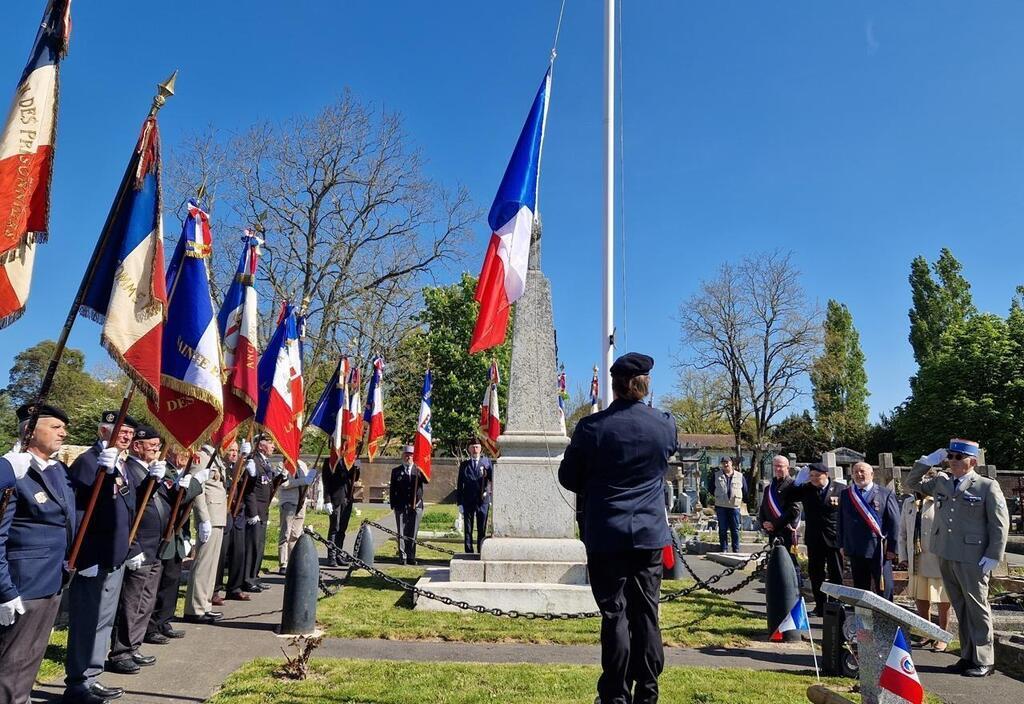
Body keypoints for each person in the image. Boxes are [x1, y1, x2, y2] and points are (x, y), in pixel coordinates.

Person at [558, 352, 677, 704]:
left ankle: (615, 694)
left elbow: (569, 477)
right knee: (646, 613)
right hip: (648, 534)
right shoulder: (664, 425)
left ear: (615, 386)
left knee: (615, 615)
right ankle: (648, 692)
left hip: (607, 534)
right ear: (644, 384)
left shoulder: (592, 428)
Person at [906, 439, 1010, 678]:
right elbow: (911, 483)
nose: (952, 461)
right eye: (950, 457)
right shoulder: (941, 481)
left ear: (972, 461)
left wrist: (994, 555)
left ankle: (985, 660)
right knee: (961, 607)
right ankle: (967, 656)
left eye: (958, 457)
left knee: (977, 607)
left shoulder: (986, 486)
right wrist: (925, 462)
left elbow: (999, 523)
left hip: (974, 557)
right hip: (946, 553)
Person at [0, 404, 77, 704]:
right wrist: (4, 590)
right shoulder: (13, 470)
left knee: (31, 658)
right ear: (31, 430)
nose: (64, 433)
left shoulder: (58, 470)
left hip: (53, 578)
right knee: (12, 663)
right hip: (23, 583)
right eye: (56, 427)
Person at [64, 411, 138, 704]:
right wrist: (101, 475)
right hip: (92, 555)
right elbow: (81, 506)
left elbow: (127, 508)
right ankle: (78, 683)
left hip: (114, 553)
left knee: (103, 620)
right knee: (86, 621)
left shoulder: (123, 464)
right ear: (103, 431)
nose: (127, 437)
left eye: (130, 433)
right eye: (121, 431)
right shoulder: (88, 461)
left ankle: (92, 676)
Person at [107, 426, 167, 673]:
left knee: (146, 600)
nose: (156, 448)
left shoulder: (150, 468)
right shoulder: (130, 470)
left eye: (157, 445)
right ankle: (120, 652)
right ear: (137, 446)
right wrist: (133, 547)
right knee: (132, 600)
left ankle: (134, 646)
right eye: (151, 445)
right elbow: (130, 509)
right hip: (140, 543)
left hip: (157, 544)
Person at [145, 446, 203, 644]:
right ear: (170, 453)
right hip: (165, 534)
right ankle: (151, 626)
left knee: (172, 581)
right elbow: (179, 498)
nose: (186, 458)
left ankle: (164, 621)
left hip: (177, 535)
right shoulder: (165, 471)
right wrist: (195, 483)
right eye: (182, 454)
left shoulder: (180, 473)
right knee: (158, 583)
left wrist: (186, 536)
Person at [787, 462, 844, 616]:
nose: (813, 478)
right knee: (816, 573)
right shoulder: (807, 489)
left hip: (834, 539)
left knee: (835, 573)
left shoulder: (840, 489)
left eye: (817, 476)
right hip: (814, 538)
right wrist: (798, 481)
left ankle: (835, 605)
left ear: (826, 475)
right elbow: (788, 495)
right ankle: (820, 606)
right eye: (811, 475)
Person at [837, 461, 900, 601]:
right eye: (856, 472)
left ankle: (886, 619)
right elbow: (841, 521)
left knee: (884, 587)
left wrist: (892, 548)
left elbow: (894, 523)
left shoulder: (885, 494)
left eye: (862, 471)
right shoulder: (846, 494)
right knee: (860, 589)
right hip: (855, 549)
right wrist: (841, 544)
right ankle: (863, 620)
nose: (859, 475)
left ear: (872, 474)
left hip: (879, 549)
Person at [897, 487, 951, 651]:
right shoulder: (909, 502)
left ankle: (942, 635)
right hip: (917, 557)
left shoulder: (941, 499)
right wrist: (903, 557)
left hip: (937, 558)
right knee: (920, 596)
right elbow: (903, 532)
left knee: (942, 598)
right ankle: (926, 633)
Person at [183, 442, 230, 623]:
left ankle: (205, 604)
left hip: (217, 516)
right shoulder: (202, 457)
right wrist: (203, 519)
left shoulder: (215, 456)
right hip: (209, 516)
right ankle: (195, 608)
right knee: (203, 564)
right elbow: (198, 489)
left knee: (211, 565)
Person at [241, 435, 277, 592]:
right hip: (255, 511)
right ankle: (247, 579)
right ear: (261, 445)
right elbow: (249, 490)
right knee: (252, 546)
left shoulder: (265, 462)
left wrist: (280, 477)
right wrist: (252, 512)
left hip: (263, 510)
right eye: (270, 443)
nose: (273, 446)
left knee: (260, 546)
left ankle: (255, 576)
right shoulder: (253, 461)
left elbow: (268, 485)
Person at [217, 439, 250, 602]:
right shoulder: (221, 469)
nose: (234, 453)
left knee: (239, 552)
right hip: (224, 514)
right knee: (221, 555)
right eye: (231, 450)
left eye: (236, 450)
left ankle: (234, 587)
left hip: (238, 514)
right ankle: (215, 590)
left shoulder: (238, 467)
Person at [758, 455, 802, 574]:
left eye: (781, 466)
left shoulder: (794, 486)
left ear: (787, 468)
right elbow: (763, 508)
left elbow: (794, 510)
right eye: (775, 466)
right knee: (777, 563)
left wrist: (775, 524)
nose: (777, 469)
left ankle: (795, 589)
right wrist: (764, 523)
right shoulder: (769, 488)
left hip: (787, 531)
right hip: (773, 531)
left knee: (790, 563)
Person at [277, 458, 317, 572]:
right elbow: (283, 484)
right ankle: (283, 563)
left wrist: (311, 479)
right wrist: (304, 480)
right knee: (286, 533)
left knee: (296, 534)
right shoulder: (283, 464)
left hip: (301, 502)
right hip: (289, 502)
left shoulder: (302, 464)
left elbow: (306, 483)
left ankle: (293, 560)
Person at [456, 439, 492, 553]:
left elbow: (492, 480)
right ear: (469, 449)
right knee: (468, 528)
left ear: (481, 449)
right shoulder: (464, 465)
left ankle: (481, 551)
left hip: (482, 500)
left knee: (482, 529)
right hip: (468, 500)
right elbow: (459, 484)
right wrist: (460, 503)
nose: (475, 450)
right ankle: (468, 551)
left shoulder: (486, 463)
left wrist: (489, 493)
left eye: (477, 447)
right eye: (473, 447)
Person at [389, 445, 424, 565]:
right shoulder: (396, 471)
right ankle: (402, 556)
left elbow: (426, 480)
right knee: (401, 532)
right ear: (402, 456)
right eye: (406, 454)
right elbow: (392, 489)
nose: (408, 457)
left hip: (416, 505)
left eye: (411, 455)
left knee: (413, 532)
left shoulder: (419, 471)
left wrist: (422, 468)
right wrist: (393, 504)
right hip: (400, 505)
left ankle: (411, 556)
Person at [322, 456, 359, 566]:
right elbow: (326, 481)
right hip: (335, 499)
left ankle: (338, 554)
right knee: (335, 528)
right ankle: (331, 556)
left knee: (342, 529)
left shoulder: (350, 460)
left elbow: (354, 478)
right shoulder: (330, 460)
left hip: (347, 499)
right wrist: (327, 500)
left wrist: (357, 468)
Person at [708, 457, 745, 553]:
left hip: (734, 506)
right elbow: (711, 488)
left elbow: (745, 490)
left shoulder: (740, 476)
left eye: (727, 462)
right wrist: (719, 495)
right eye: (723, 463)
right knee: (722, 528)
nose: (725, 465)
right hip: (721, 505)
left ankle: (736, 549)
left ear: (731, 463)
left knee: (735, 529)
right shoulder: (716, 475)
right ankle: (723, 548)